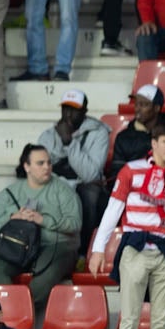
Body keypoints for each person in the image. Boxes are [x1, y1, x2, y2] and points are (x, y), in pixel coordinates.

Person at [90, 116, 165, 329]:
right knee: (129, 319)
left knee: (161, 322)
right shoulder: (131, 169)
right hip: (135, 249)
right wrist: (99, 248)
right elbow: (113, 210)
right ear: (153, 143)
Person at [0, 145, 81, 310]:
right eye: (40, 163)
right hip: (19, 247)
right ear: (26, 167)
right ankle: (12, 311)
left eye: (49, 163)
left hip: (56, 246)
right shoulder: (11, 192)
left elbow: (75, 223)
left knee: (44, 276)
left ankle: (18, 312)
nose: (47, 167)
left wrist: (43, 220)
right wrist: (13, 218)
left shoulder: (63, 190)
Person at [37, 90, 112, 250]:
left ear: (84, 111)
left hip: (83, 186)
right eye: (65, 108)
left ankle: (84, 252)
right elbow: (42, 169)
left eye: (74, 109)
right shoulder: (49, 135)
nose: (69, 114)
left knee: (90, 193)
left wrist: (69, 143)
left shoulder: (99, 133)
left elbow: (90, 174)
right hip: (57, 184)